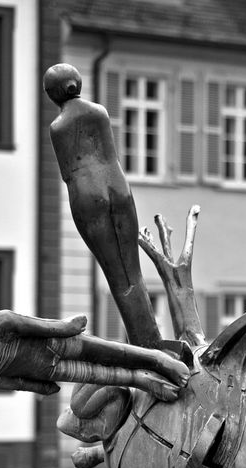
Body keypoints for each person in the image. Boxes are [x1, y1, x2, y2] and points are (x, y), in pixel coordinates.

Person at [44, 63, 161, 348]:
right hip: (118, 188)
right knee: (132, 270)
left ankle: (145, 345)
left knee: (116, 274)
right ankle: (152, 339)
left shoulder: (58, 128)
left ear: (52, 94)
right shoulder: (100, 113)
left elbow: (68, 173)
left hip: (88, 198)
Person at [0, 310, 189, 400]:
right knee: (103, 375)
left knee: (111, 352)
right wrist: (38, 387)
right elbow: (14, 383)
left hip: (55, 344)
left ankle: (158, 358)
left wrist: (67, 327)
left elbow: (38, 325)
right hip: (47, 370)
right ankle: (143, 380)